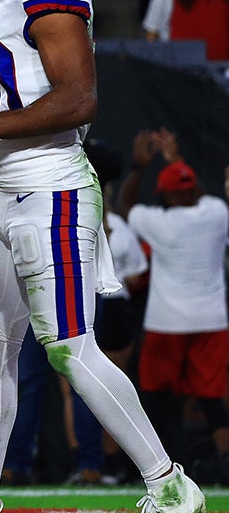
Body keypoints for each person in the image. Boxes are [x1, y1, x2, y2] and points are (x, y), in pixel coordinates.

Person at [0, 0, 206, 513]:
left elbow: (77, 99)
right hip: (4, 188)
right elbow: (17, 99)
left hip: (54, 186)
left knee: (68, 346)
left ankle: (170, 485)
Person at [119, 131, 229, 479]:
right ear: (196, 189)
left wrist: (138, 168)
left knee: (156, 399)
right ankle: (224, 463)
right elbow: (194, 190)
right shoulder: (217, 212)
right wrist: (175, 160)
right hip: (211, 322)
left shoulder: (160, 222)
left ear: (166, 194)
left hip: (166, 323)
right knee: (212, 401)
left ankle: (157, 469)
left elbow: (125, 209)